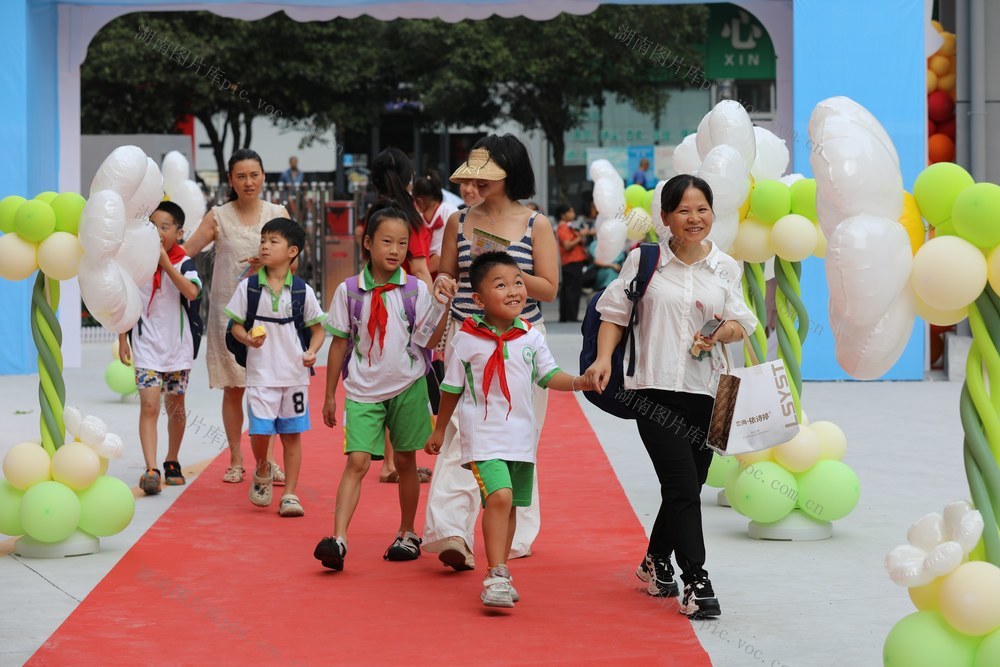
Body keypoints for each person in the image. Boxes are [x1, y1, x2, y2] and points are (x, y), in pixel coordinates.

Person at [583, 174, 758, 620]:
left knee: (689, 485)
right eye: (684, 210)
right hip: (653, 388)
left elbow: (743, 323)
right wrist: (604, 359)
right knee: (680, 485)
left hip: (710, 392)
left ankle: (654, 559)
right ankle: (696, 581)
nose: (694, 218)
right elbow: (614, 313)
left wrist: (722, 330)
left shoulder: (725, 266)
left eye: (702, 209)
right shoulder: (646, 261)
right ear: (665, 217)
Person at [426, 251, 592, 607]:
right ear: (479, 299)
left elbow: (549, 377)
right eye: (501, 285)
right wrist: (440, 431)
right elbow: (451, 388)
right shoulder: (467, 339)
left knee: (511, 505)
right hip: (482, 438)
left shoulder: (530, 337)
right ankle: (495, 573)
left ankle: (501, 571)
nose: (514, 290)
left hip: (521, 440)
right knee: (498, 497)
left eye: (518, 282)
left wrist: (580, 382)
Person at [424, 134, 559, 571]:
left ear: (509, 171)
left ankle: (515, 532)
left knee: (520, 437)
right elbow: (447, 273)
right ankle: (451, 532)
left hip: (522, 342)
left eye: (486, 171)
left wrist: (503, 268)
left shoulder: (536, 223)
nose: (475, 181)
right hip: (468, 339)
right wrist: (445, 281)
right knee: (460, 436)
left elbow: (550, 289)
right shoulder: (457, 221)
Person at [313, 204, 448, 571]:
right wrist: (329, 395)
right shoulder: (349, 291)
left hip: (408, 386)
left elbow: (430, 339)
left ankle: (407, 531)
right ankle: (338, 539)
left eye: (403, 244)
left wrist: (442, 307)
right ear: (368, 242)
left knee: (406, 461)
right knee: (356, 461)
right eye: (387, 241)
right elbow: (339, 342)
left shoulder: (416, 290)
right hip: (362, 390)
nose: (395, 250)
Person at [183, 149, 291, 484]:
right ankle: (235, 457)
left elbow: (294, 259)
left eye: (254, 175)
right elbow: (184, 252)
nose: (248, 182)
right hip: (227, 315)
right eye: (241, 176)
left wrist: (270, 263)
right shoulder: (219, 216)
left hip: (269, 314)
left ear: (263, 176)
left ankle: (268, 460)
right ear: (231, 179)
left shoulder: (278, 213)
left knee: (266, 388)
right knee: (234, 388)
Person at [224, 218, 325, 517]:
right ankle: (263, 467)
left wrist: (312, 351)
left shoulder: (302, 291)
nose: (265, 246)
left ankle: (291, 494)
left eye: (273, 241)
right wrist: (247, 339)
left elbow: (318, 329)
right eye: (263, 240)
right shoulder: (249, 287)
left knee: (292, 435)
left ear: (292, 251)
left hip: (294, 375)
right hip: (261, 375)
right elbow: (235, 327)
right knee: (260, 434)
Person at [118, 201, 201, 495]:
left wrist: (165, 263)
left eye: (164, 227)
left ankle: (172, 460)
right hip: (146, 348)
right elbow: (126, 301)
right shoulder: (137, 263)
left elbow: (192, 291)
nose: (157, 232)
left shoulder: (184, 262)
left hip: (177, 349)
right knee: (150, 406)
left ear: (178, 233)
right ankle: (151, 468)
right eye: (152, 226)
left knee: (175, 408)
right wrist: (122, 338)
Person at [367, 148, 435, 484]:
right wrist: (438, 314)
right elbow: (420, 268)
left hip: (373, 307)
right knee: (407, 383)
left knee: (382, 379)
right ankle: (395, 463)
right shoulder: (412, 218)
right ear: (410, 178)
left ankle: (387, 461)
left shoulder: (373, 215)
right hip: (407, 308)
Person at [412, 170, 457, 278]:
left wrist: (421, 273)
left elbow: (444, 256)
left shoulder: (449, 211)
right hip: (426, 271)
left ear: (419, 201)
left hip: (447, 273)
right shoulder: (419, 217)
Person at [554, 204, 592, 323]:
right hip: (572, 261)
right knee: (572, 290)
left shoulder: (567, 227)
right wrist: (580, 237)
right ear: (563, 214)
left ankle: (566, 316)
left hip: (573, 262)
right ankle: (571, 316)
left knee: (568, 289)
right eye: (570, 212)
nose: (573, 214)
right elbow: (567, 245)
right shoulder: (563, 228)